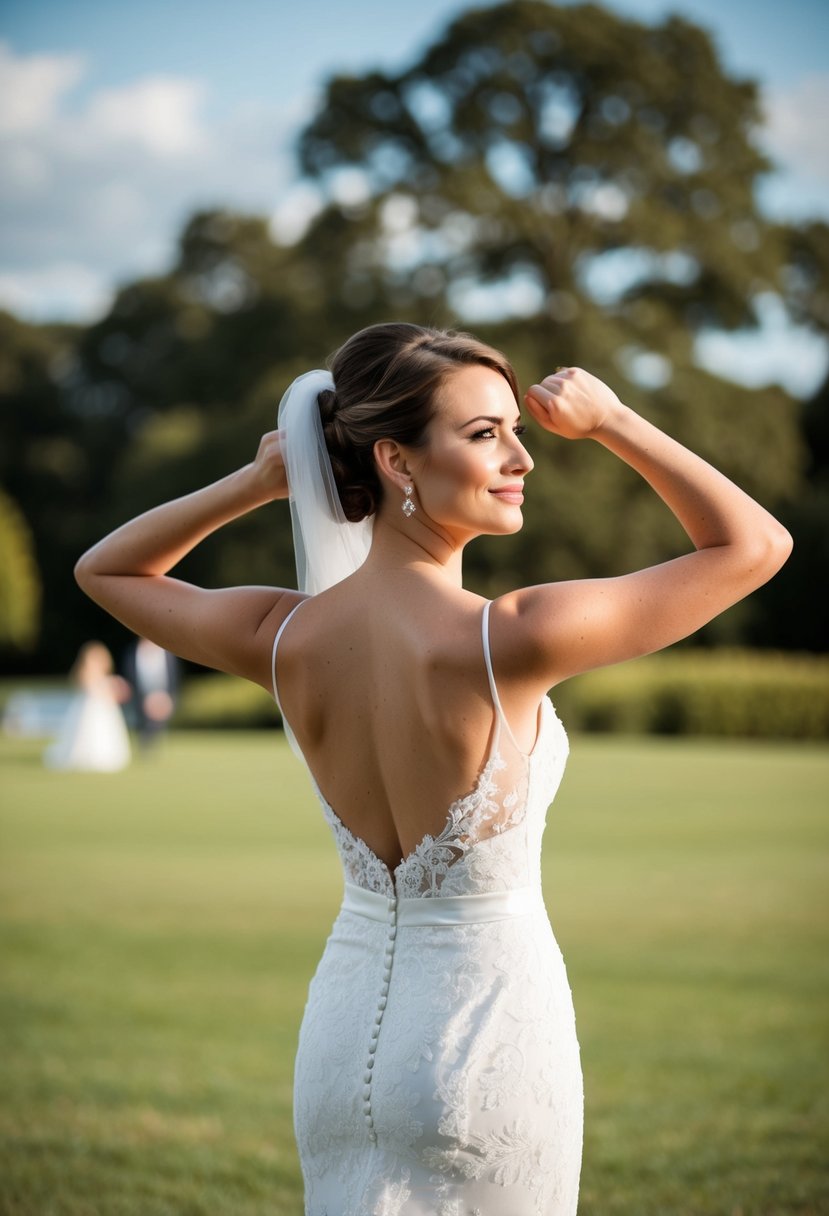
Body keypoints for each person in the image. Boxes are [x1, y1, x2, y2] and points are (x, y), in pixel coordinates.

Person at [74, 323, 791, 1214]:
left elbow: (108, 570)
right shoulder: (513, 636)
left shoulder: (284, 635)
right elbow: (753, 547)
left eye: (514, 430)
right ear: (396, 461)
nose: (522, 457)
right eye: (485, 432)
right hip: (485, 1044)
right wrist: (611, 421)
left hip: (339, 1048)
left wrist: (258, 482)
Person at [44, 640, 131, 772]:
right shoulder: (85, 674)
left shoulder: (104, 676)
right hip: (90, 708)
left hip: (103, 709)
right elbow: (92, 690)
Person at [122, 636, 179, 751]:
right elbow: (130, 675)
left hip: (163, 696)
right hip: (140, 697)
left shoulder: (168, 654)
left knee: (156, 725)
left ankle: (152, 744)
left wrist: (167, 697)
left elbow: (173, 676)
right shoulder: (132, 652)